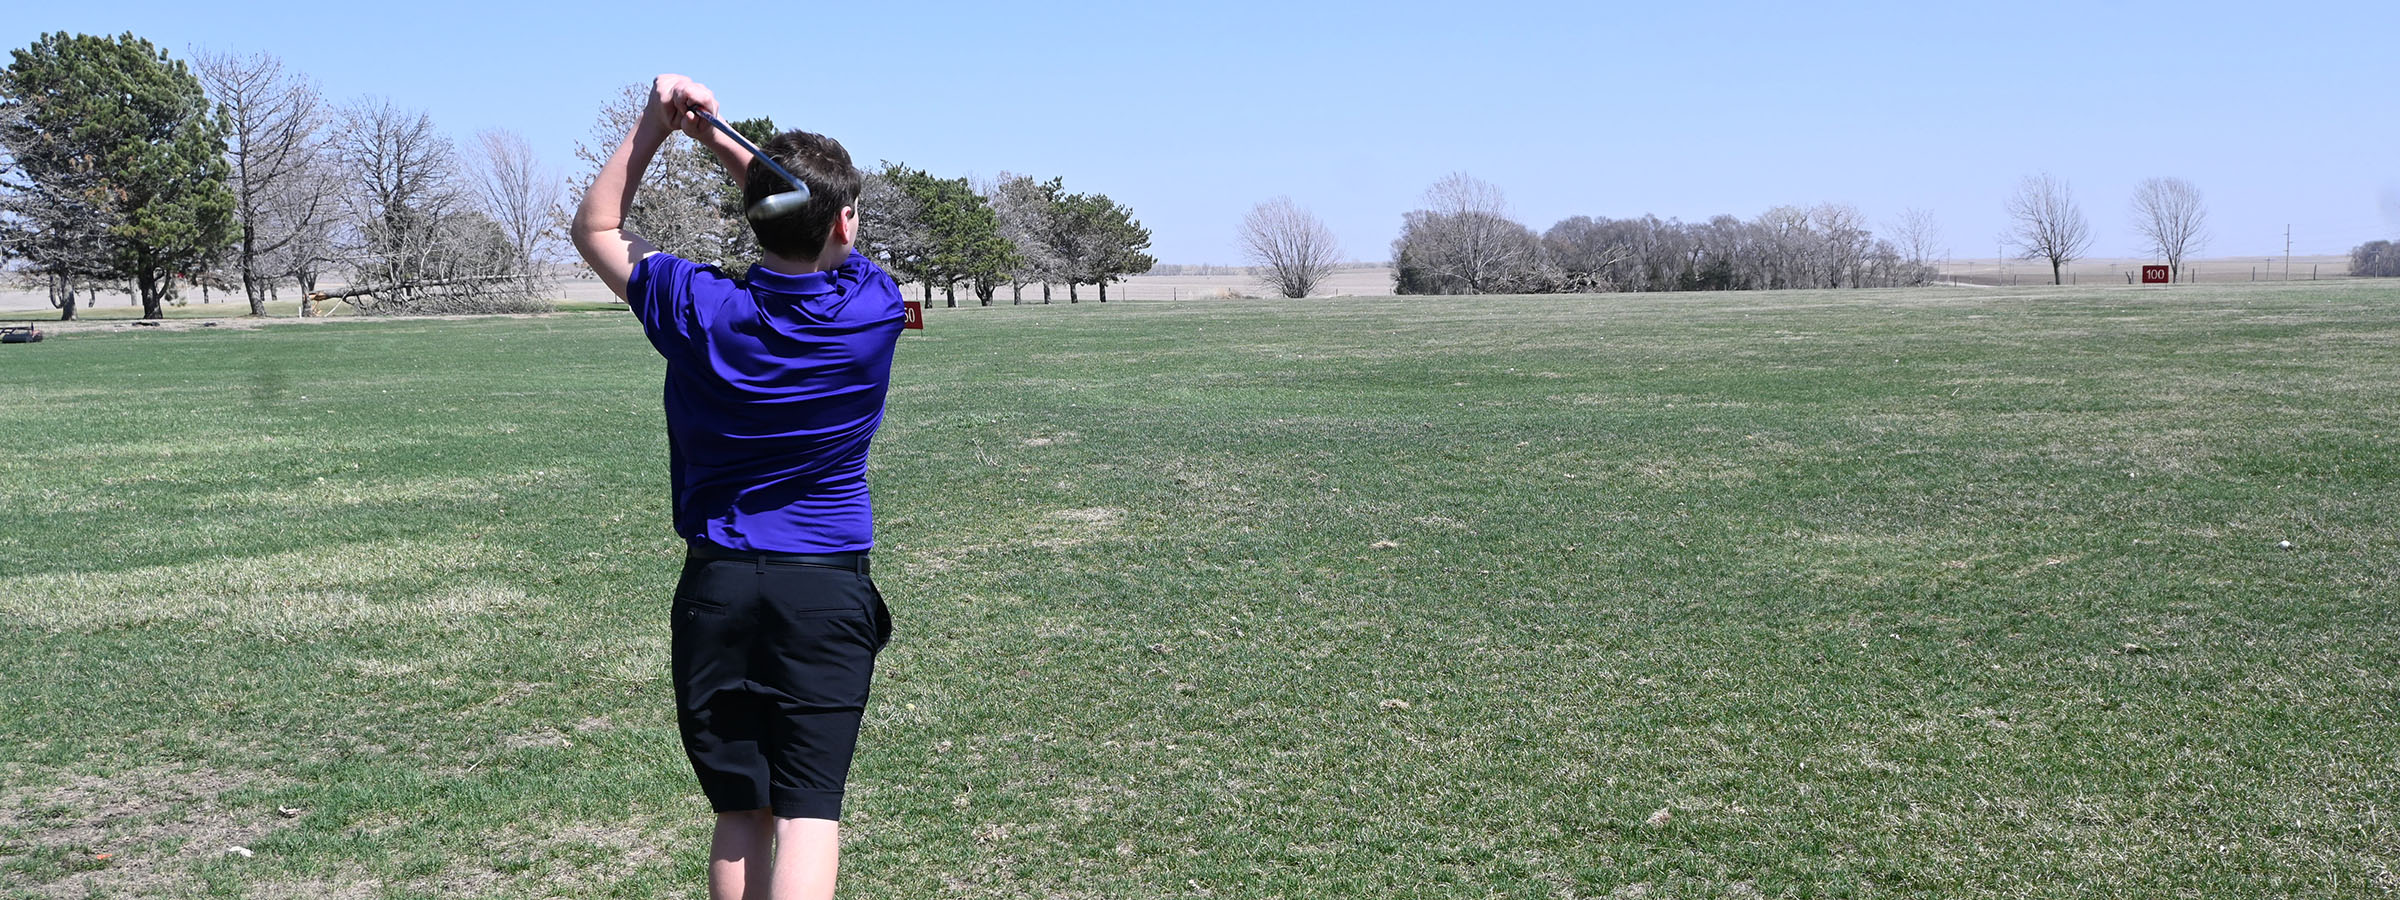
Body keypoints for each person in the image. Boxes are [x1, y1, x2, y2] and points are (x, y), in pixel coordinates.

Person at [571, 74, 903, 900]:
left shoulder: (698, 306)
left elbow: (597, 227)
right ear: (842, 223)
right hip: (825, 590)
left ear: (755, 217)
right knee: (808, 815)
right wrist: (723, 140)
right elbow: (807, 220)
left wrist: (658, 126)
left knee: (738, 811)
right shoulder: (871, 307)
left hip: (718, 587)